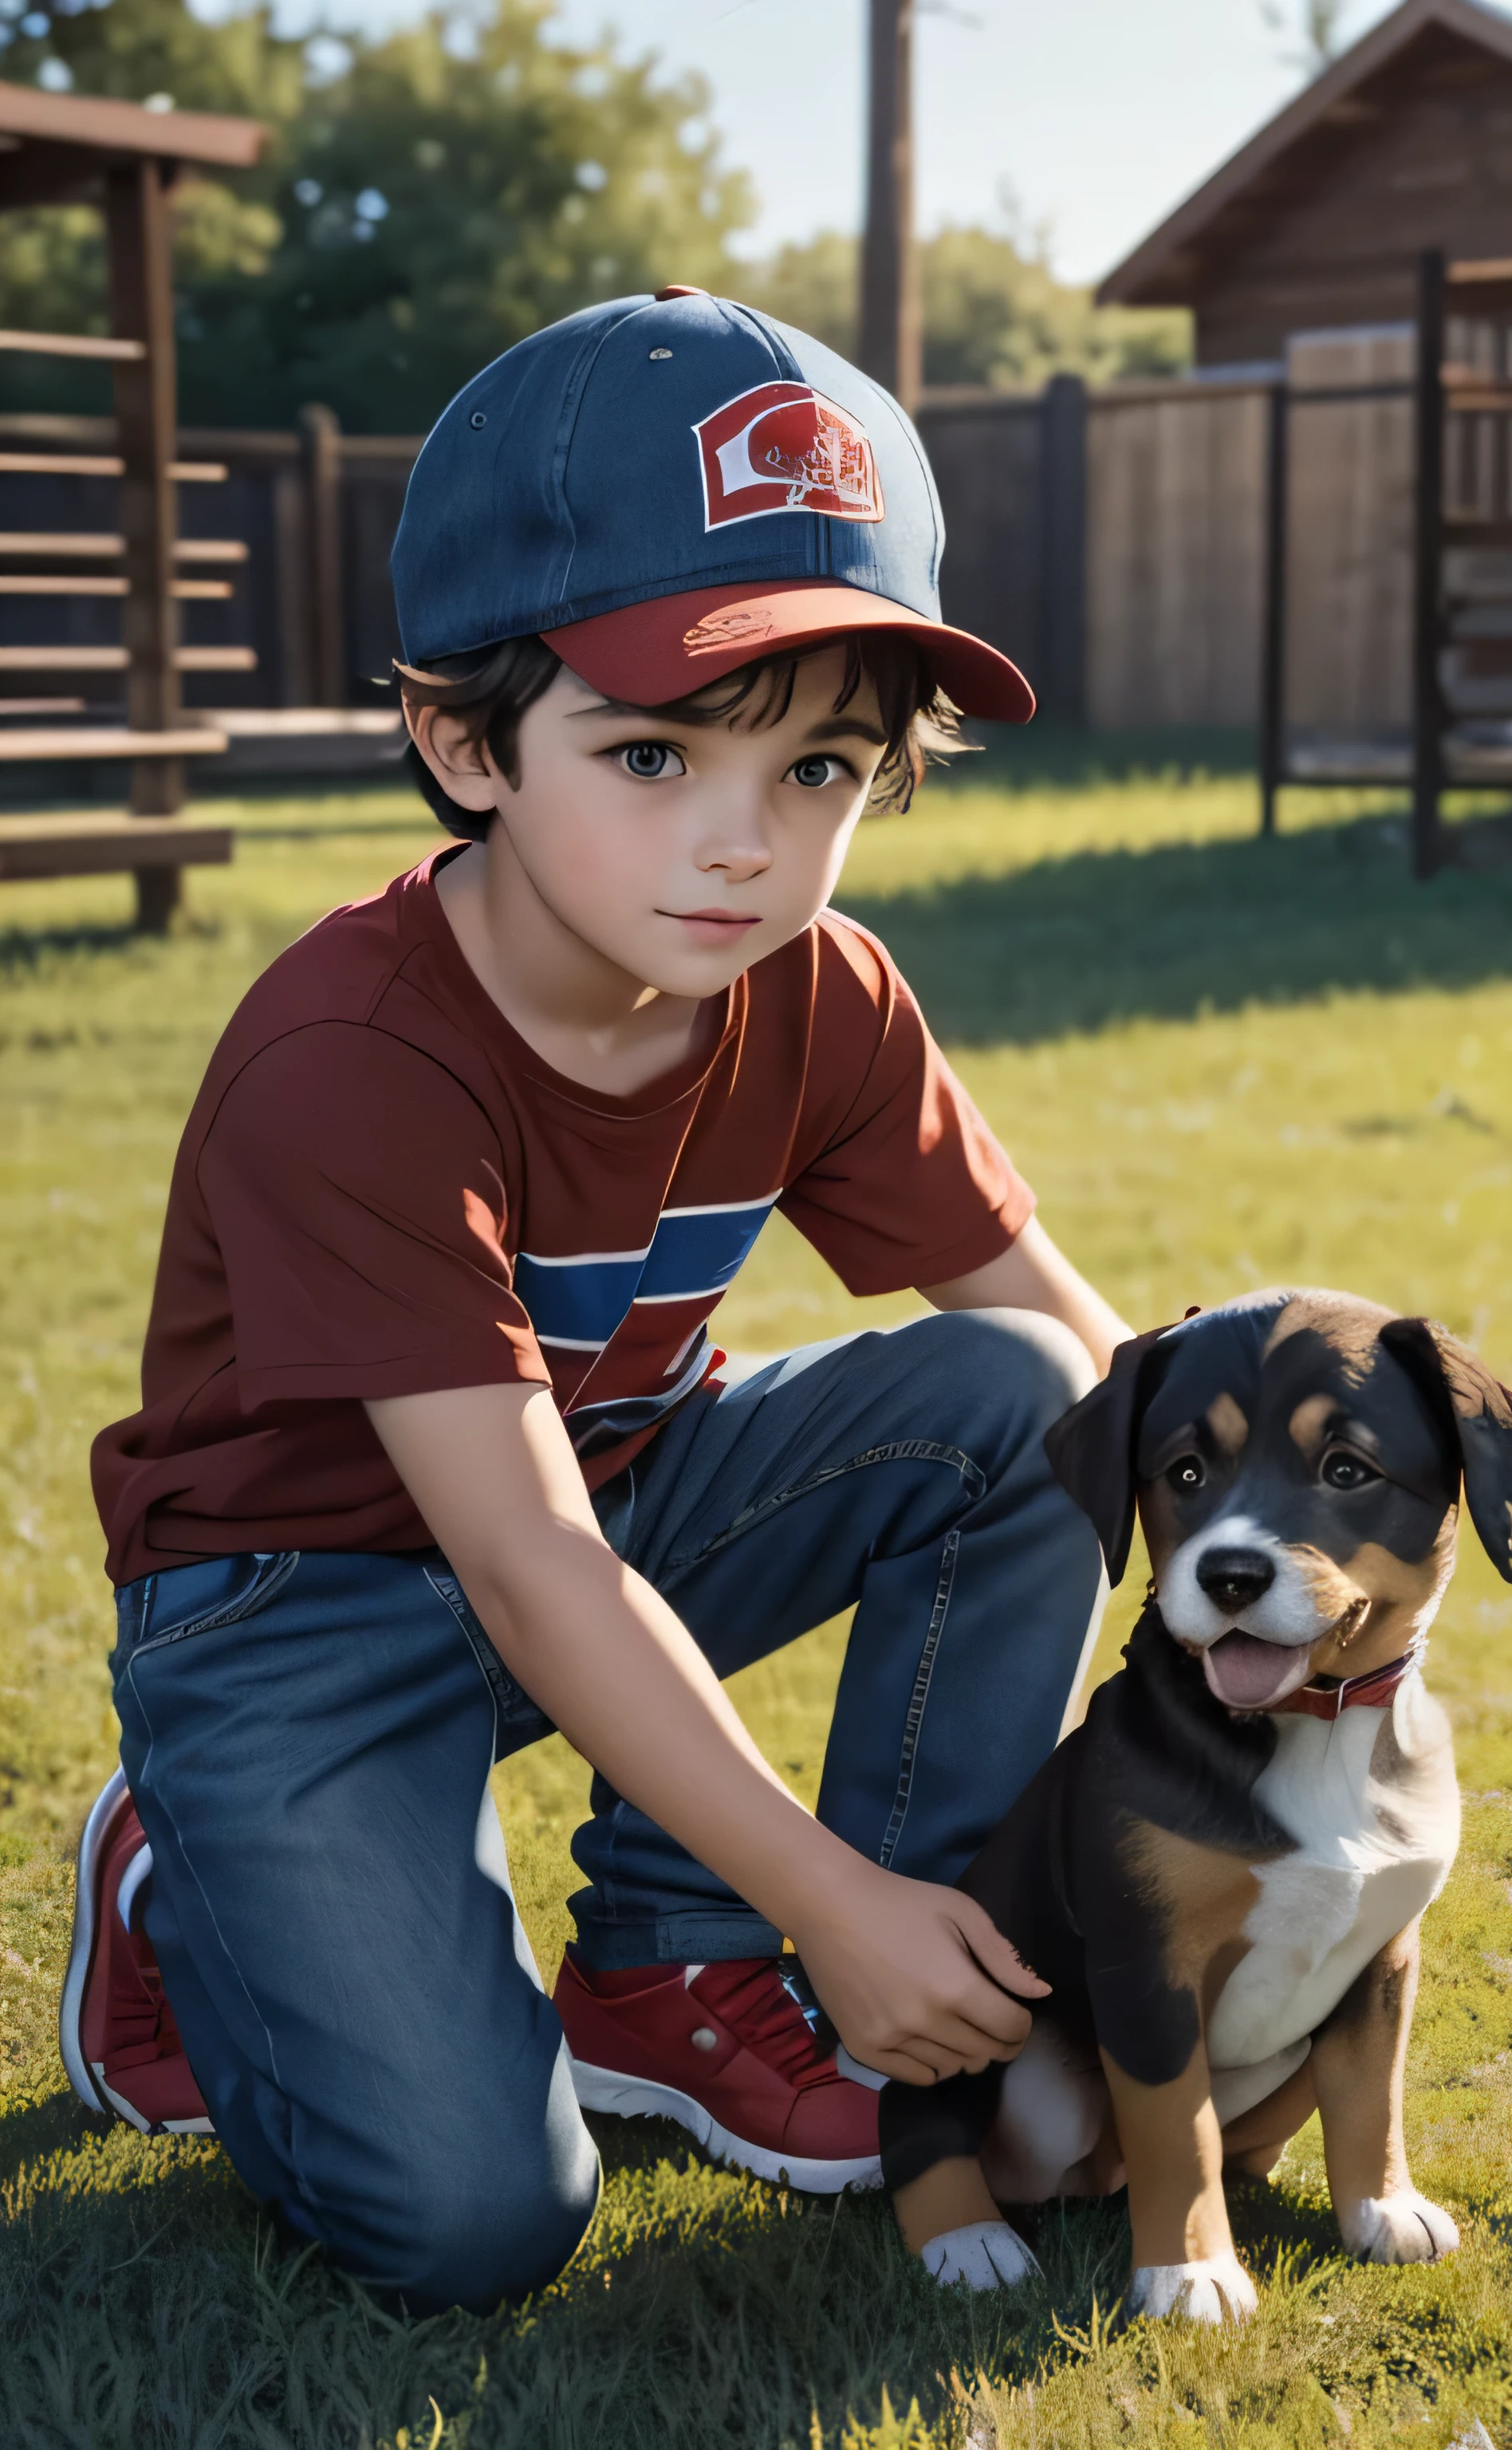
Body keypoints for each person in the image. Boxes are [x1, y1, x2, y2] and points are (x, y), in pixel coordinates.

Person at [61, 288, 1131, 2316]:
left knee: (1028, 1401)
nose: (741, 849)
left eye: (818, 765)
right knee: (474, 2223)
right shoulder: (350, 1057)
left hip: (617, 1503)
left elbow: (1078, 1353)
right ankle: (180, 1879)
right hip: (299, 1613)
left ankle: (678, 1974)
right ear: (460, 740)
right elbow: (531, 1573)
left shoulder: (818, 994)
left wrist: (1306, 1581)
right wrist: (828, 1891)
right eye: (649, 752)